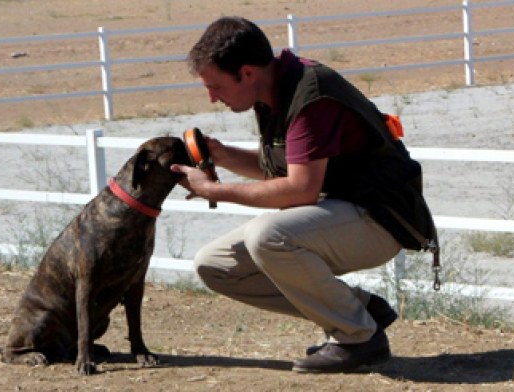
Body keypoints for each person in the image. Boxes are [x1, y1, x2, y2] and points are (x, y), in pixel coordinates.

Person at [171, 16, 438, 373]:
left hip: (381, 219)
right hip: (340, 213)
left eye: (215, 86)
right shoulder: (273, 93)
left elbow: (300, 189)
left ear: (247, 73)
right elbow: (285, 170)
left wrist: (214, 190)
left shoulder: (309, 96)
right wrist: (222, 155)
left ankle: (358, 337)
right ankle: (360, 309)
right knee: (215, 265)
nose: (212, 97)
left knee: (267, 236)